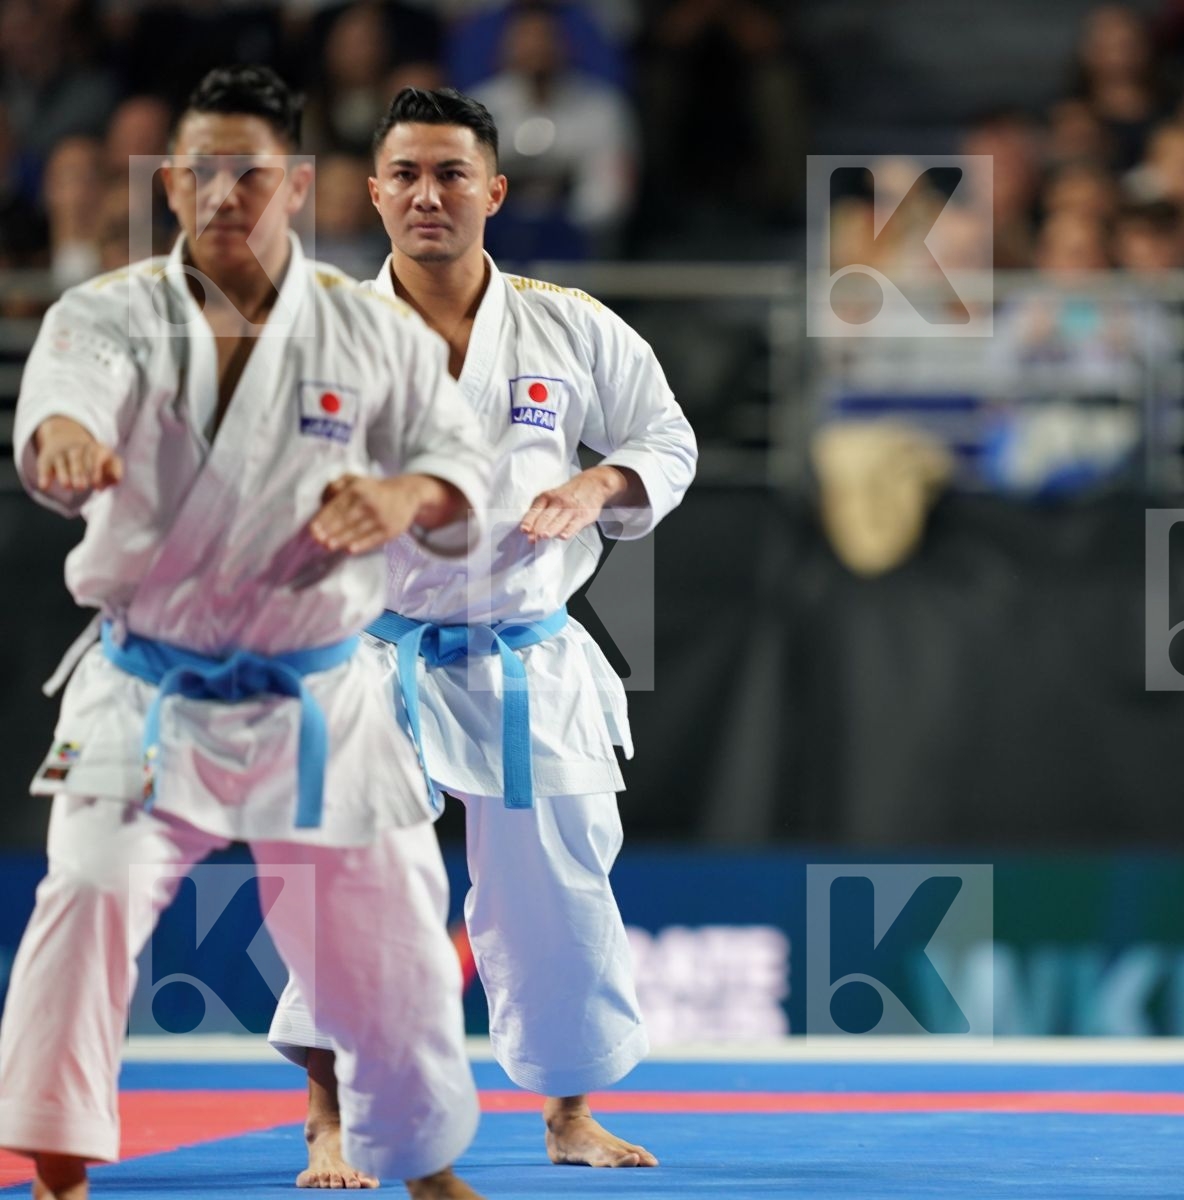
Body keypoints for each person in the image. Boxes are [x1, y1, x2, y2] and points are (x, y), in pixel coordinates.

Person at [0, 66, 492, 1200]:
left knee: (399, 942)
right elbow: (67, 397)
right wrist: (70, 440)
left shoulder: (368, 332)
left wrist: (405, 498)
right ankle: (61, 1165)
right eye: (204, 171)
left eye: (252, 173)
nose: (227, 193)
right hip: (148, 687)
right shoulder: (107, 313)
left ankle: (422, 1164)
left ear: (299, 184)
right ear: (171, 183)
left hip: (315, 693)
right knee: (84, 896)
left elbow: (458, 459)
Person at [266, 86, 696, 1188]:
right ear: (373, 192)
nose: (427, 195)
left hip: (525, 644)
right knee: (347, 878)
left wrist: (599, 481)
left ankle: (567, 1114)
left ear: (494, 191)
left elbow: (666, 437)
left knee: (557, 880)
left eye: (451, 174)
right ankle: (328, 1115)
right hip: (373, 648)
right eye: (405, 175)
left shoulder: (567, 321)